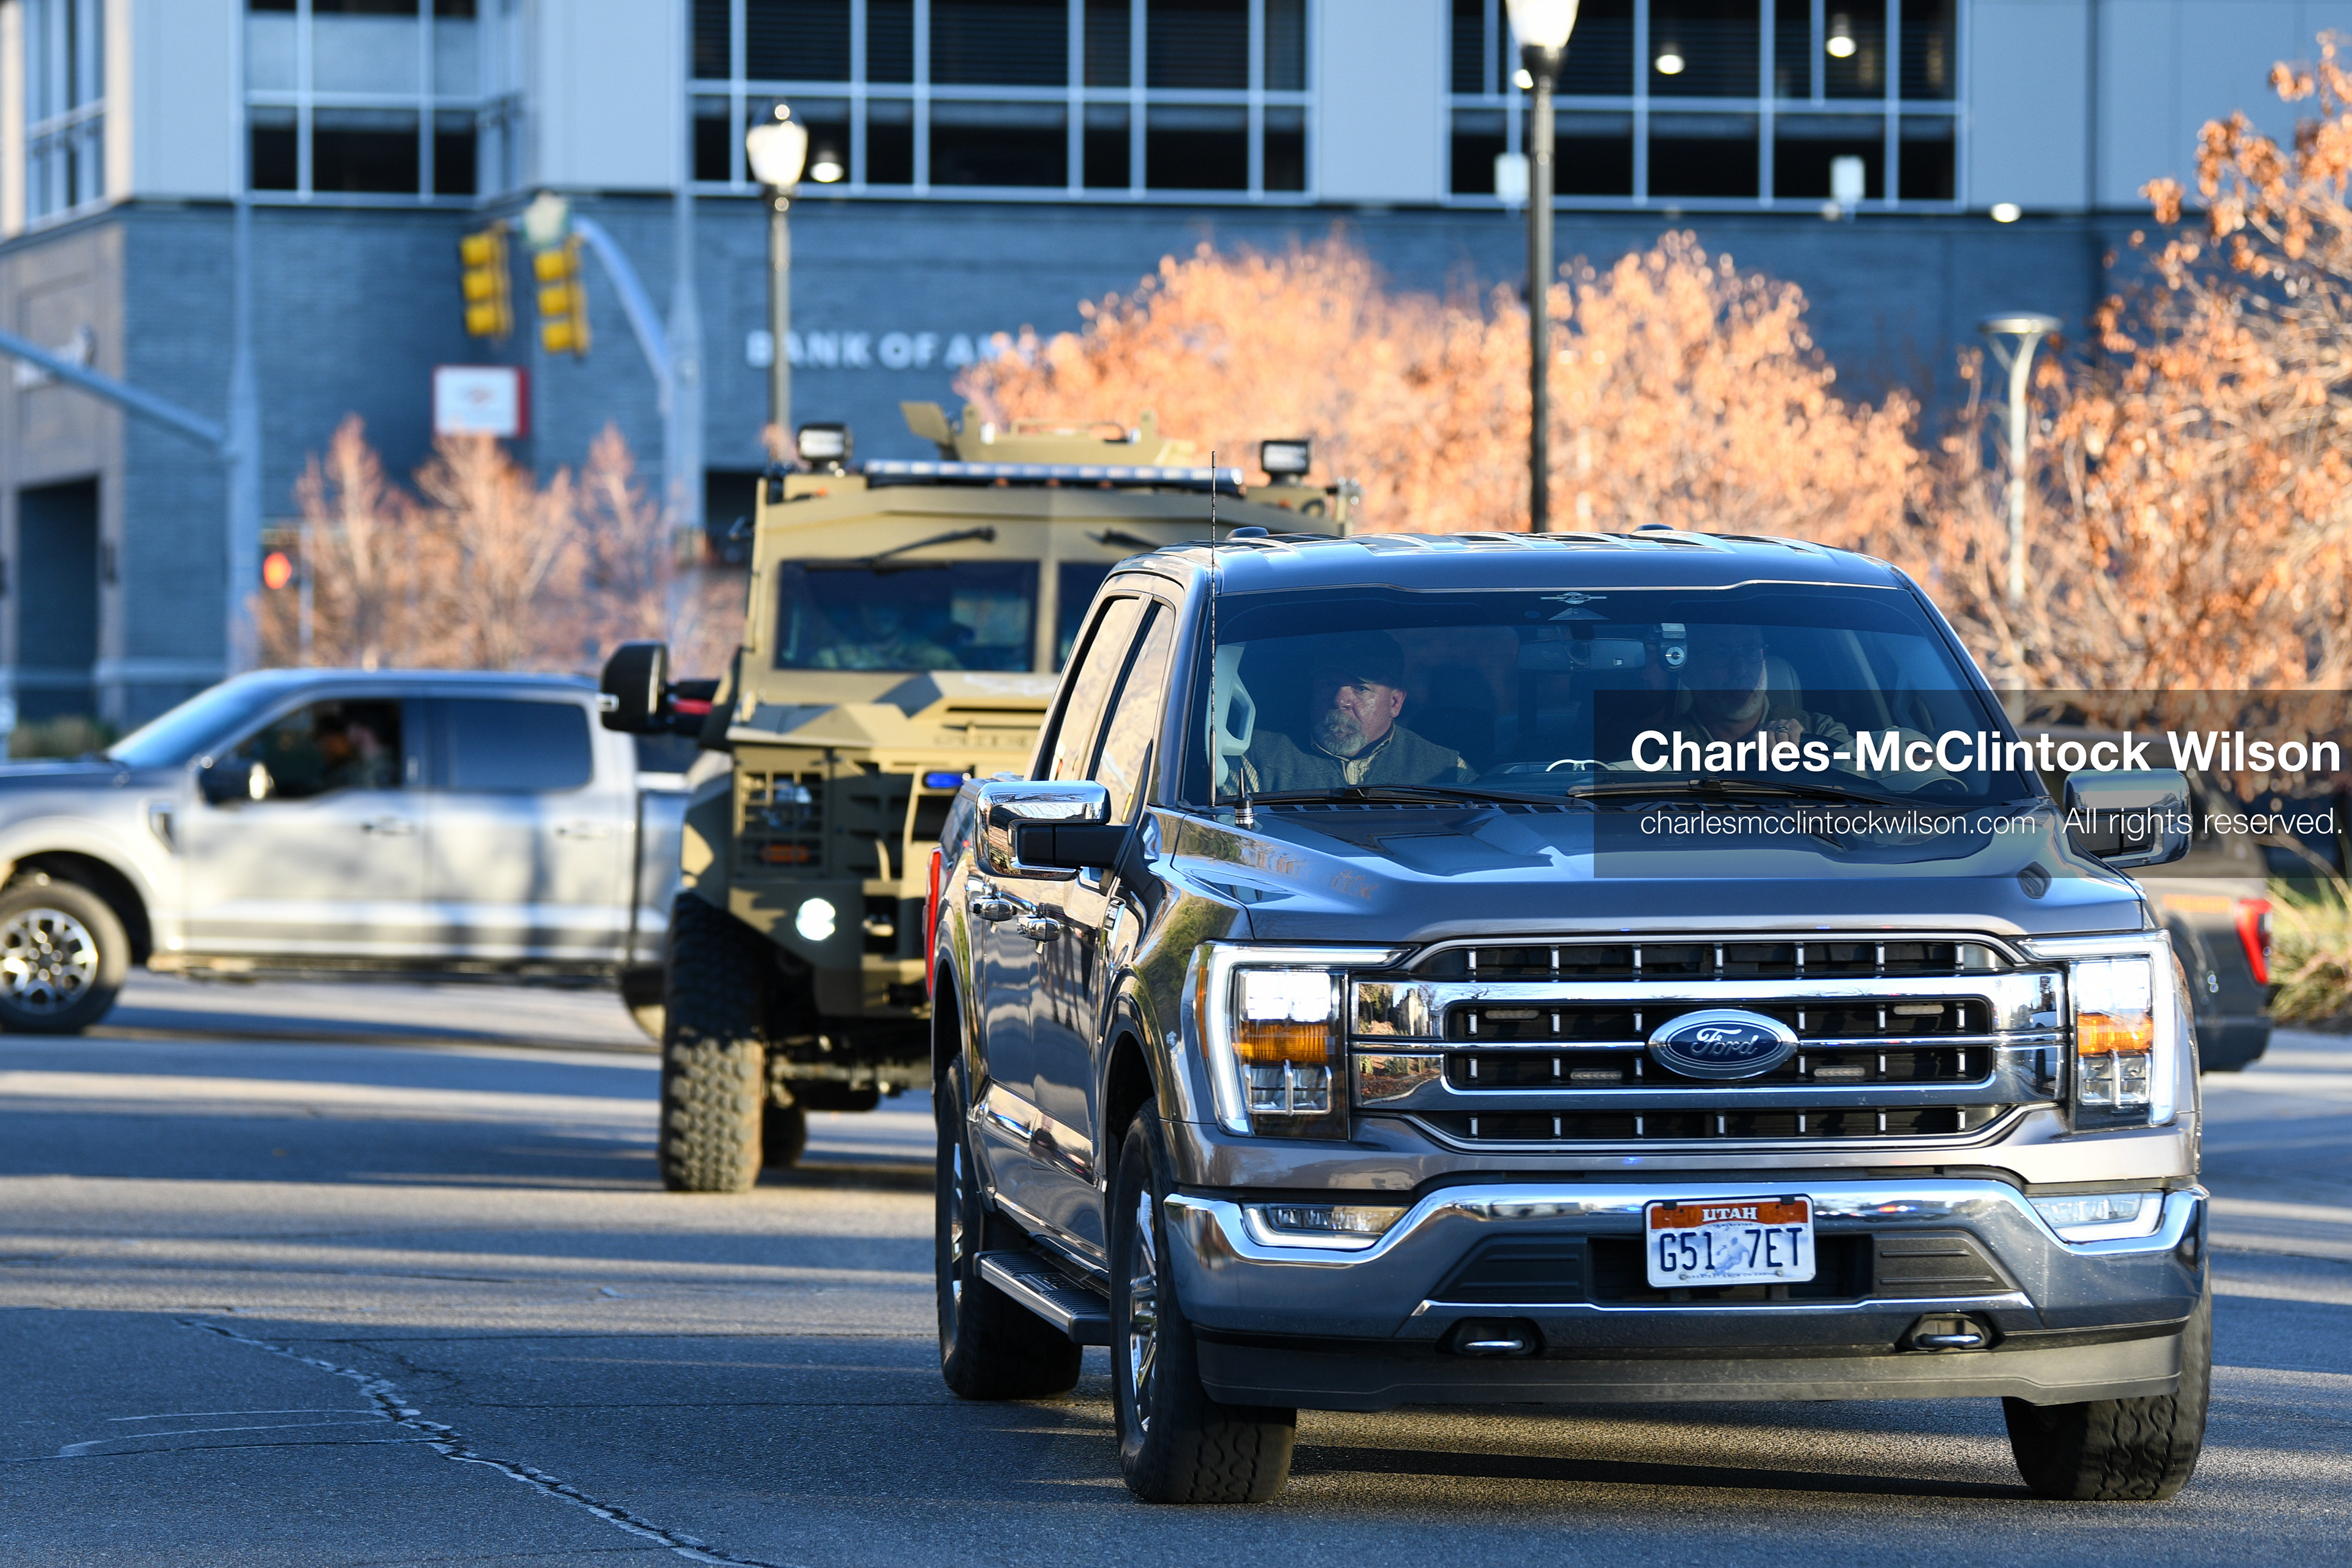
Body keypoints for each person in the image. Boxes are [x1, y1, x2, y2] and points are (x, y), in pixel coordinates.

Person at [1240, 632, 1472, 791]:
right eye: (1328, 684)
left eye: (1360, 688)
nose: (1340, 700)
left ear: (1395, 702)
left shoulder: (1449, 771)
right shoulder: (1256, 758)